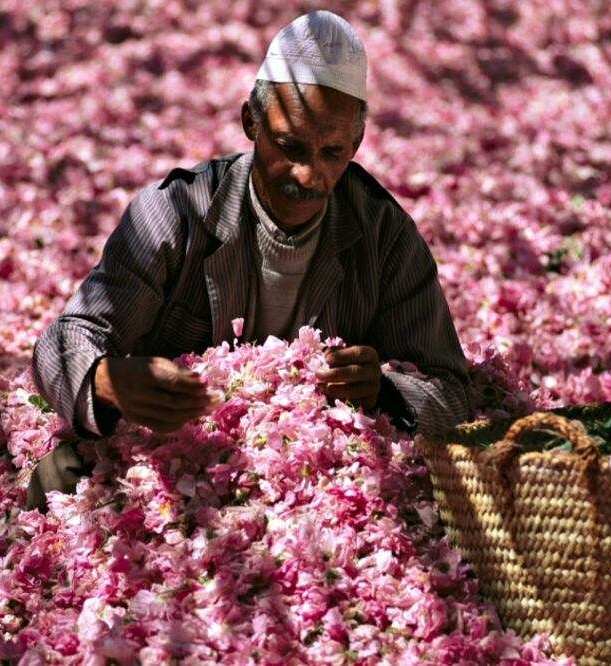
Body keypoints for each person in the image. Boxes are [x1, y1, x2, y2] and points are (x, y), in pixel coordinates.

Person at [27, 11, 470, 511]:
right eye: (289, 146)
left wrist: (385, 392)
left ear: (357, 145)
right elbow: (62, 340)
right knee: (60, 479)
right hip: (172, 471)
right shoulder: (176, 213)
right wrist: (107, 380)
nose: (308, 175)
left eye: (331, 152)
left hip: (316, 492)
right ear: (250, 121)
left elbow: (451, 389)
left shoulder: (386, 237)